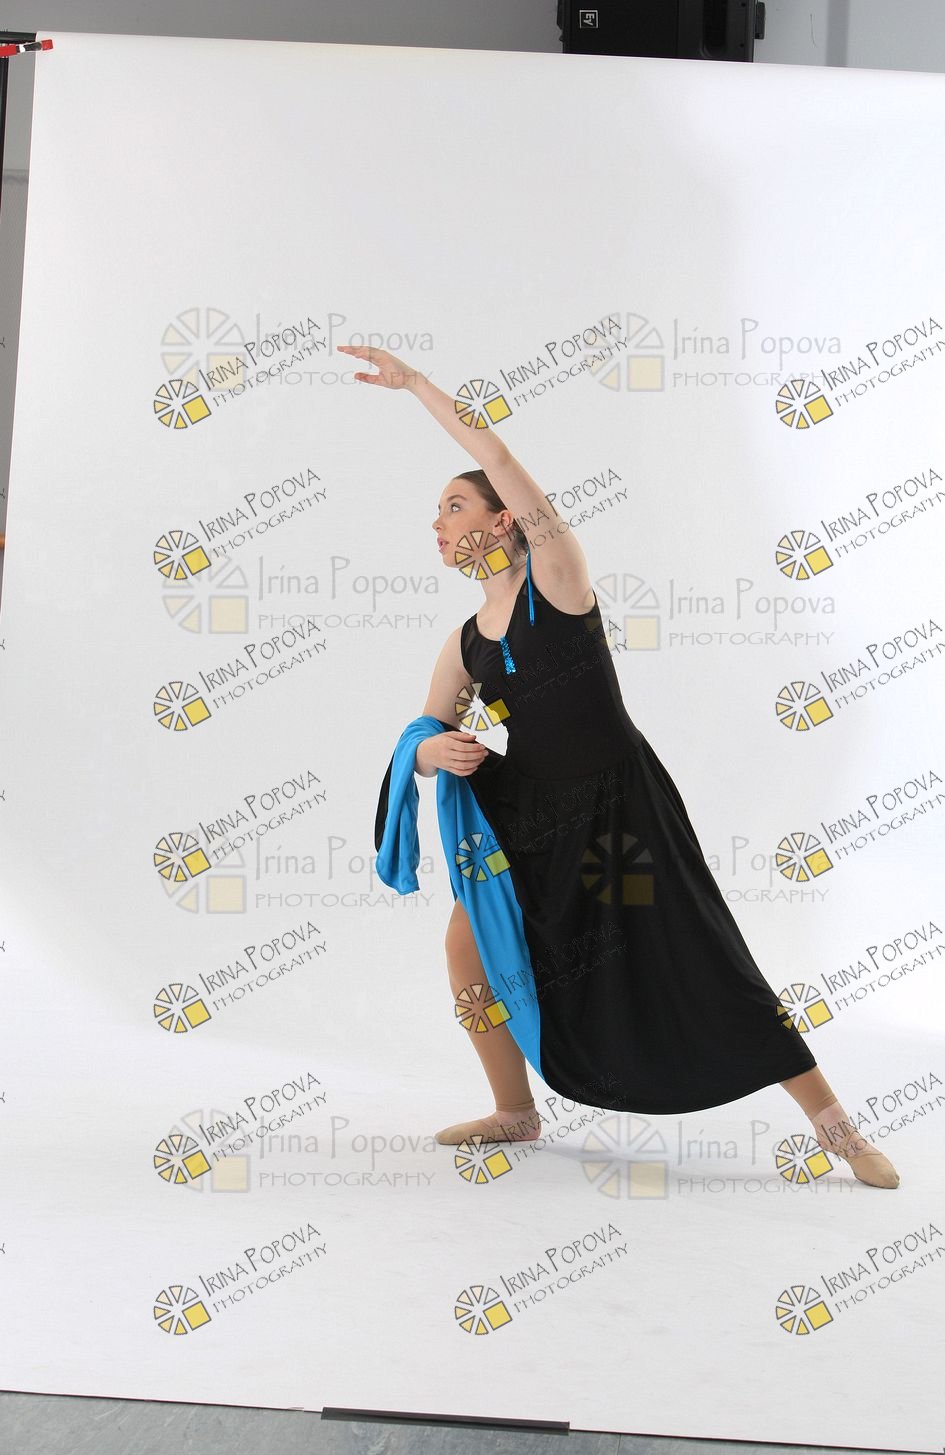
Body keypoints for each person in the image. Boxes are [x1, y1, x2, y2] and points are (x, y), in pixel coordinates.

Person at [342, 343, 899, 1190]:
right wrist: (426, 749)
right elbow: (425, 726)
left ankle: (837, 1127)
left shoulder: (559, 582)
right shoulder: (462, 642)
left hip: (619, 809)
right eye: (437, 512)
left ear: (504, 520)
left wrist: (418, 385)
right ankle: (514, 1110)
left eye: (454, 506)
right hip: (529, 815)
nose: (439, 523)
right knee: (468, 952)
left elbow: (499, 455)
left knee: (704, 956)